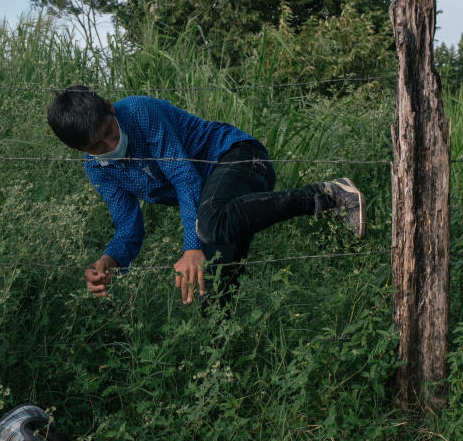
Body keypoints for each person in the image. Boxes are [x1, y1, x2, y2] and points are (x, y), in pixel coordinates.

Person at [47, 85, 366, 306]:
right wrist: (108, 261)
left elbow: (184, 178)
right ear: (78, 150)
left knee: (208, 225)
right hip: (216, 204)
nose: (108, 145)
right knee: (213, 299)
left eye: (109, 132)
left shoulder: (139, 113)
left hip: (240, 158)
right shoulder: (99, 169)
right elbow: (129, 227)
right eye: (95, 146)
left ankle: (328, 195)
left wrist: (191, 248)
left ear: (110, 109)